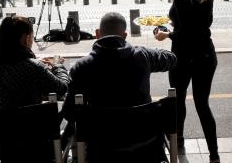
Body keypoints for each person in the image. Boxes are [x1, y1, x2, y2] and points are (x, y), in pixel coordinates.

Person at [61, 12, 177, 162]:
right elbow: (171, 58)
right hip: (144, 144)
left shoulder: (82, 67)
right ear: (125, 36)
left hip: (101, 148)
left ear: (97, 33)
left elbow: (69, 113)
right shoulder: (142, 56)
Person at [154, 0, 220, 163]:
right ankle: (214, 155)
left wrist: (166, 33)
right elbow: (200, 26)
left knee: (178, 100)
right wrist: (173, 25)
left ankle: (179, 141)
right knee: (203, 104)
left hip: (184, 55)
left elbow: (186, 32)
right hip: (206, 54)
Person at [0, 16, 70, 163]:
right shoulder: (33, 67)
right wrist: (57, 66)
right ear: (26, 38)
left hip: (6, 147)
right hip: (36, 147)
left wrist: (38, 65)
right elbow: (61, 88)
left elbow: (15, 88)